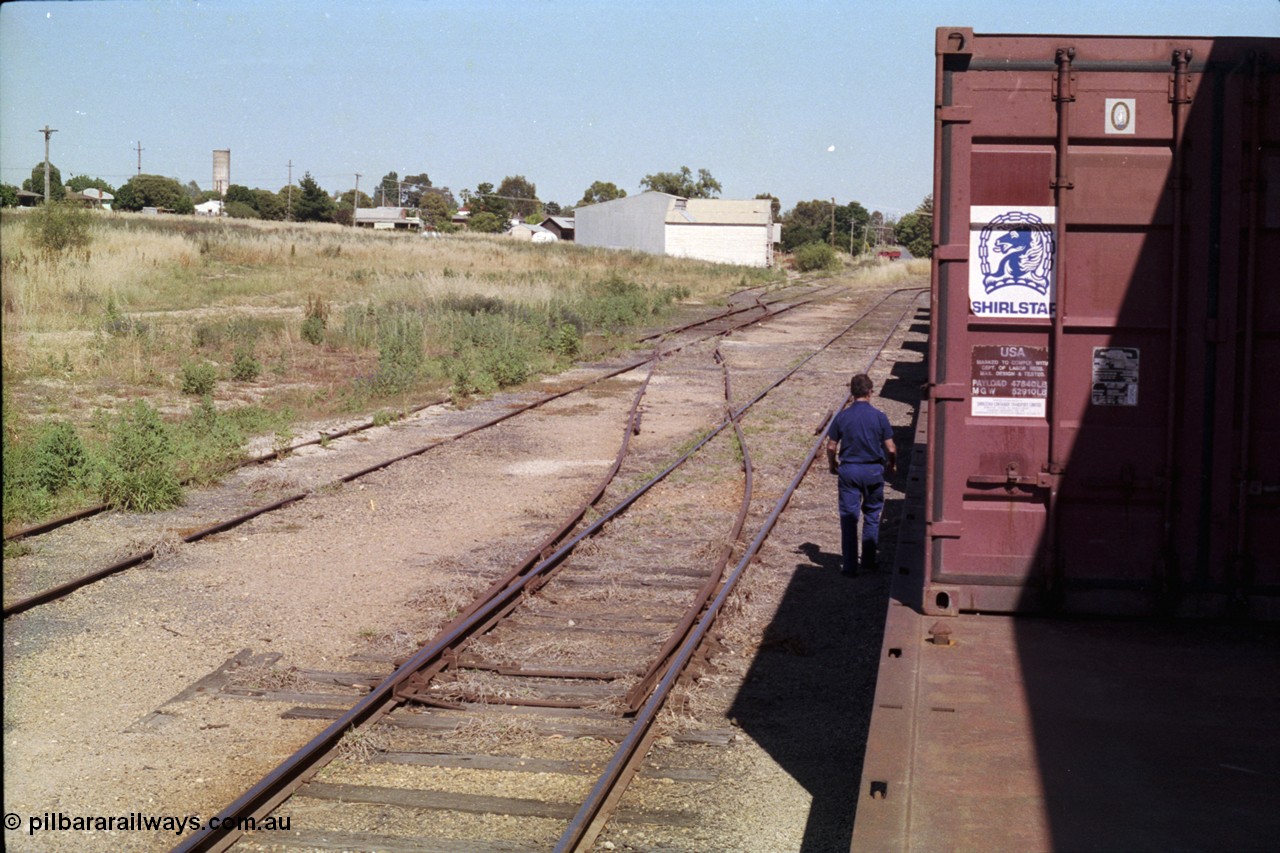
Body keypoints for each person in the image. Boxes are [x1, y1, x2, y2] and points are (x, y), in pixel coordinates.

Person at [826, 373, 896, 575]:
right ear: (870, 392)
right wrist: (891, 464)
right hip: (873, 471)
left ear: (852, 393)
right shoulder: (879, 416)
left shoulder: (842, 416)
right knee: (872, 515)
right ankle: (868, 561)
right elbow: (891, 448)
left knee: (849, 518)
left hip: (850, 472)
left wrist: (832, 464)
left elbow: (831, 446)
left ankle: (849, 567)